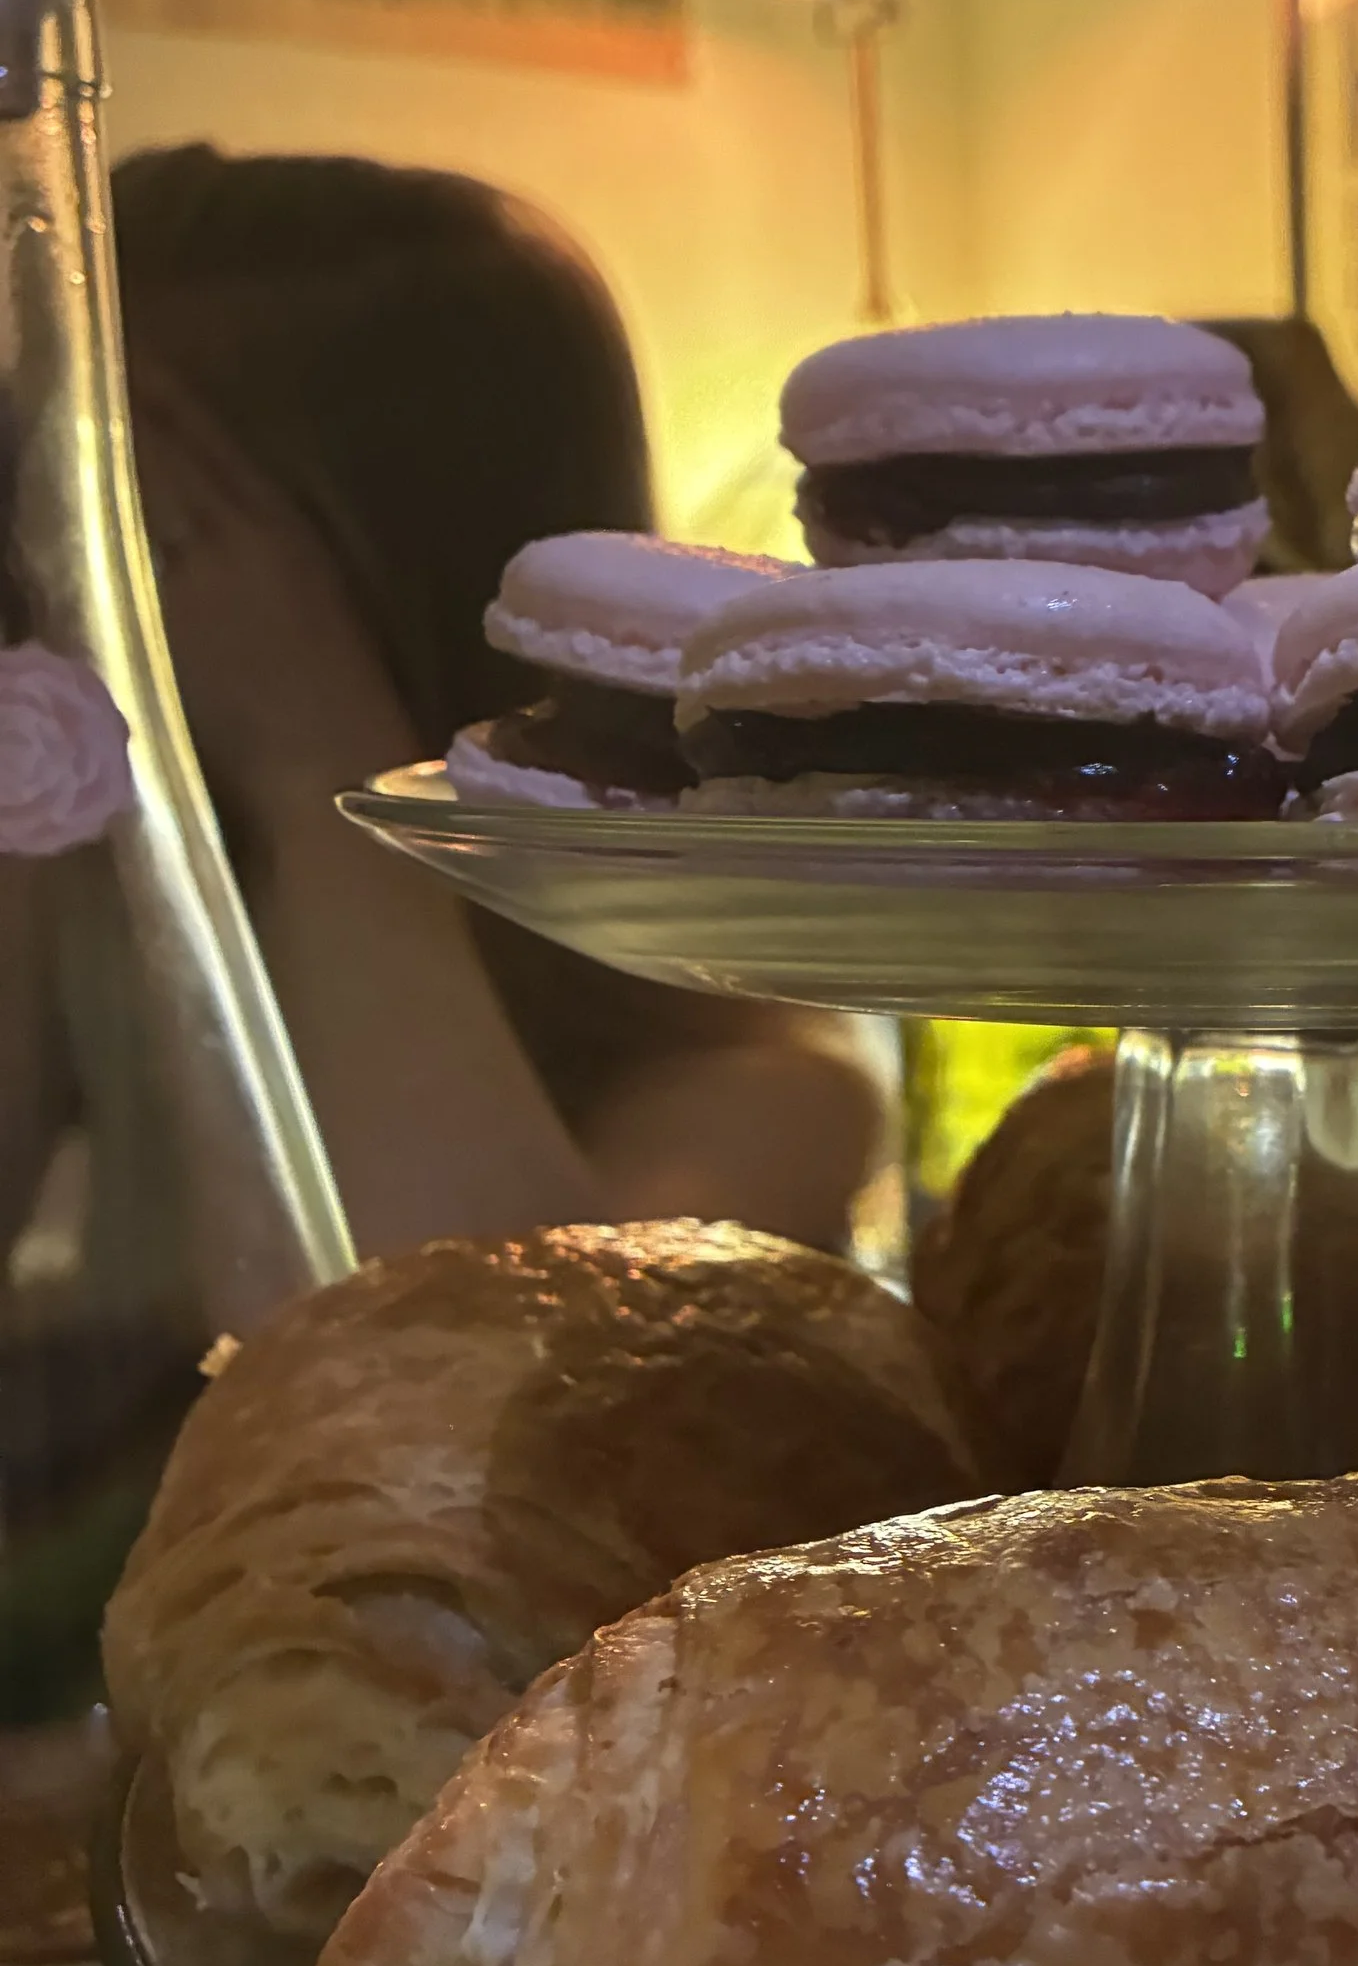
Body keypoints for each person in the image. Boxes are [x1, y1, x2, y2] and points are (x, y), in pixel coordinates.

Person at [103, 145, 885, 1260]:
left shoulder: (751, 1096)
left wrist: (314, 763)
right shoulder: (84, 976)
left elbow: (467, 1379)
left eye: (156, 524)